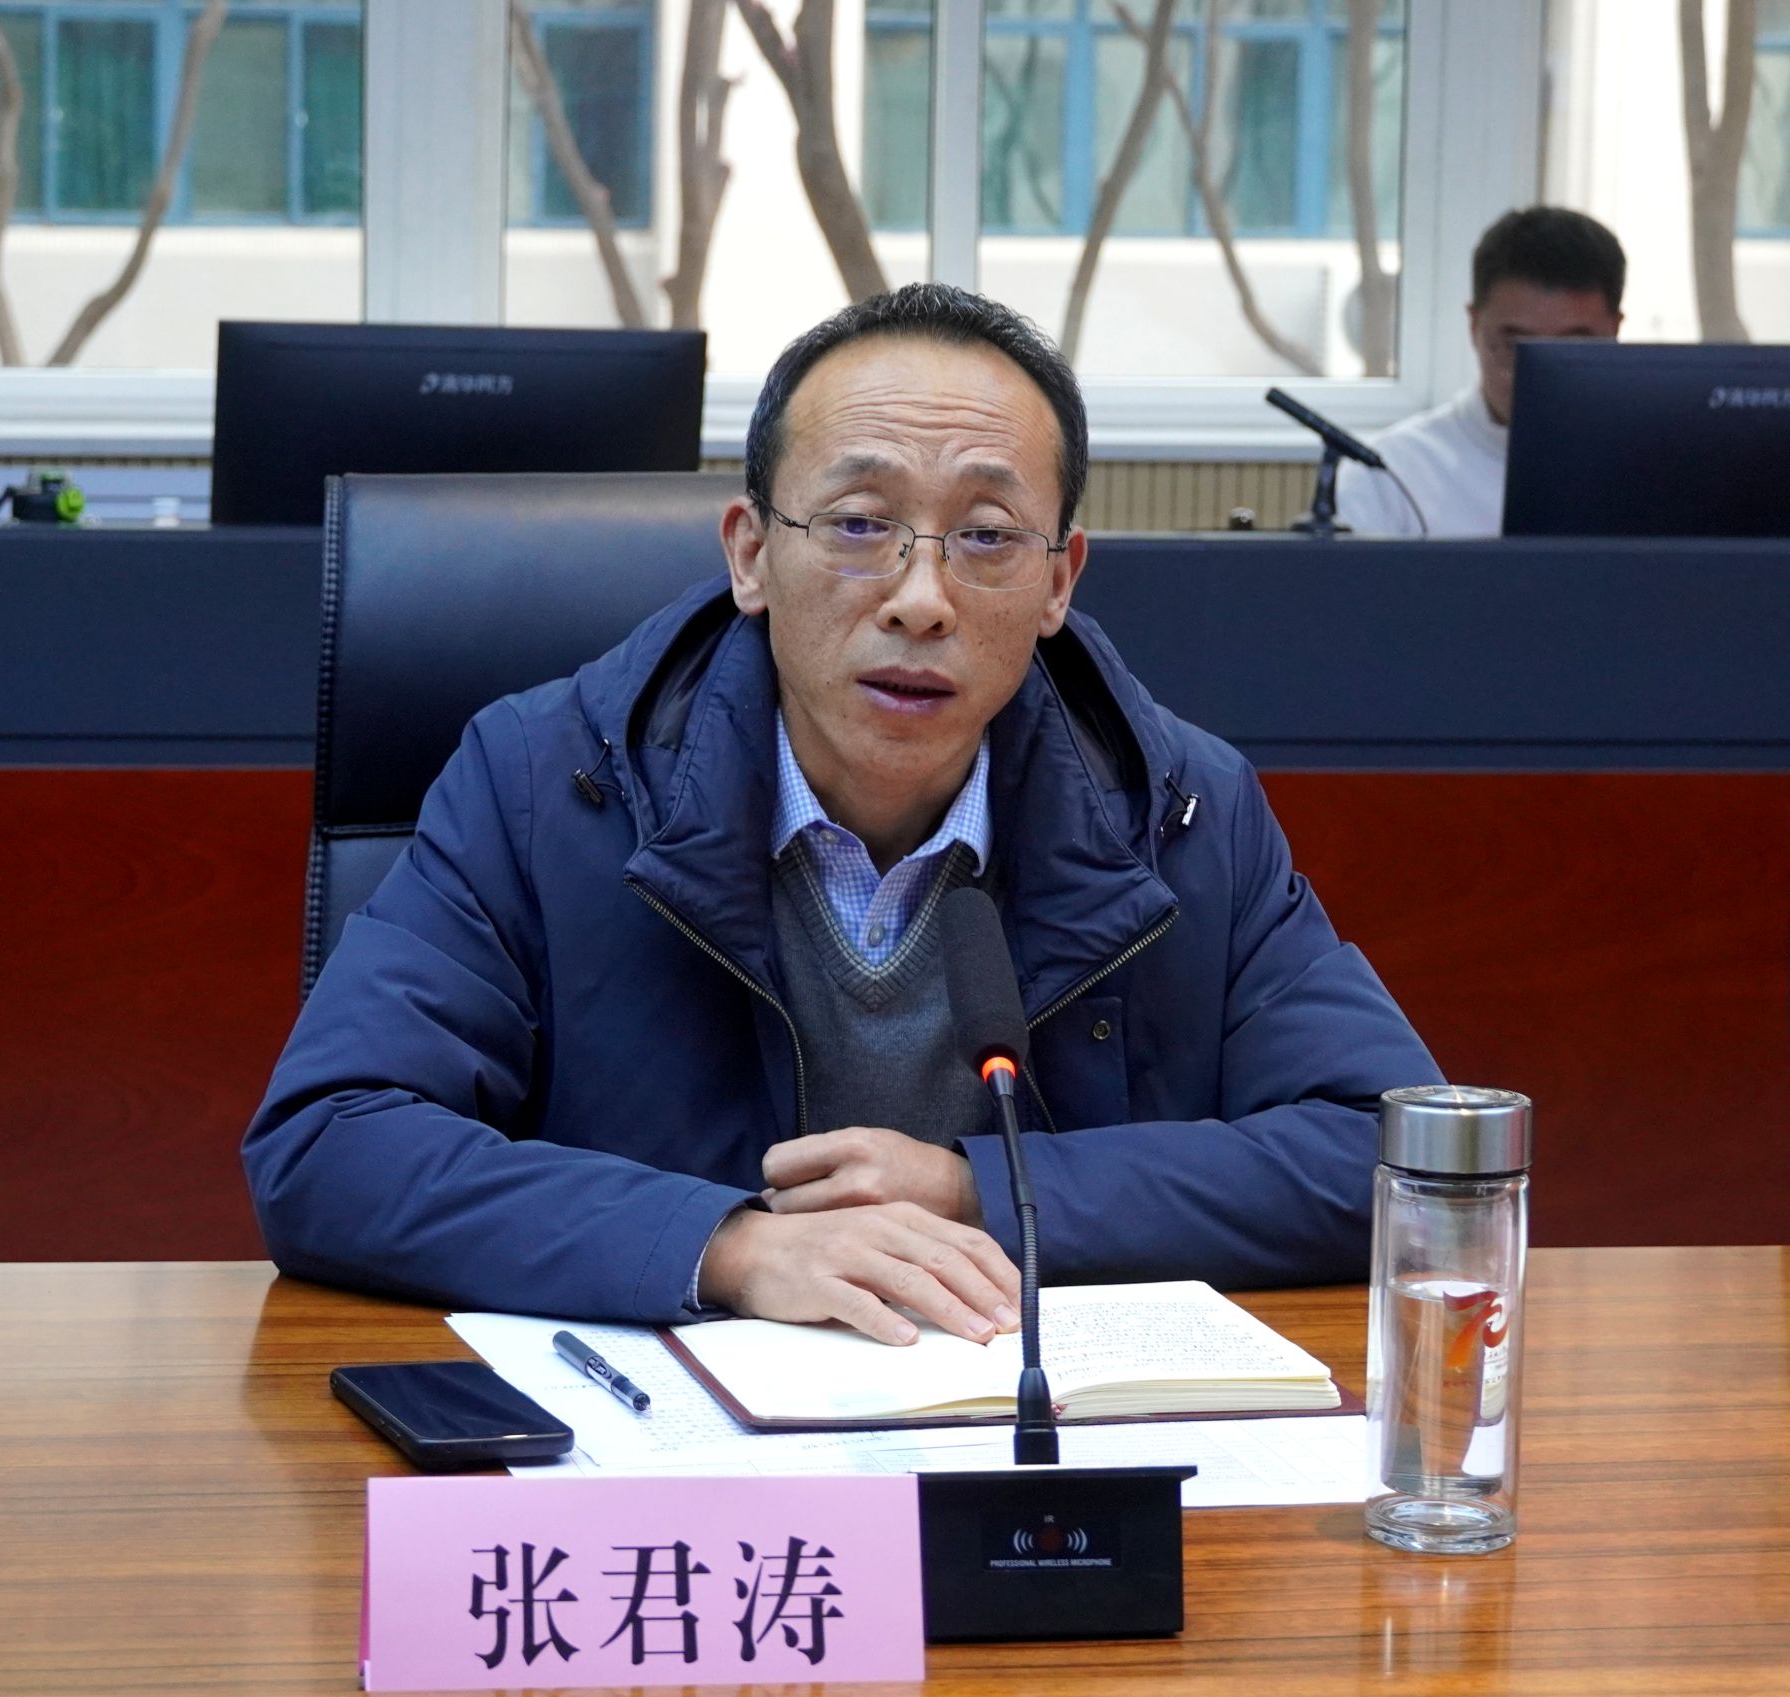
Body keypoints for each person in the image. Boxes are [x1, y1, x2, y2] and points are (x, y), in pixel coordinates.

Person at [243, 284, 1441, 1347]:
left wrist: (977, 1192)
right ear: (750, 554)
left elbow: (1394, 1153)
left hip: (1019, 1431)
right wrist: (726, 1245)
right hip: (675, 1458)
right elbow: (329, 1141)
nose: (921, 598)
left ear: (1058, 582)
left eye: (985, 537)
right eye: (860, 524)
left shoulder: (1174, 809)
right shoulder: (544, 779)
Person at [1340, 206, 1626, 538]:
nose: (1542, 377)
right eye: (1516, 345)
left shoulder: (1656, 466)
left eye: (1571, 347)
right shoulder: (1388, 474)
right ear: (1475, 326)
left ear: (1614, 331)